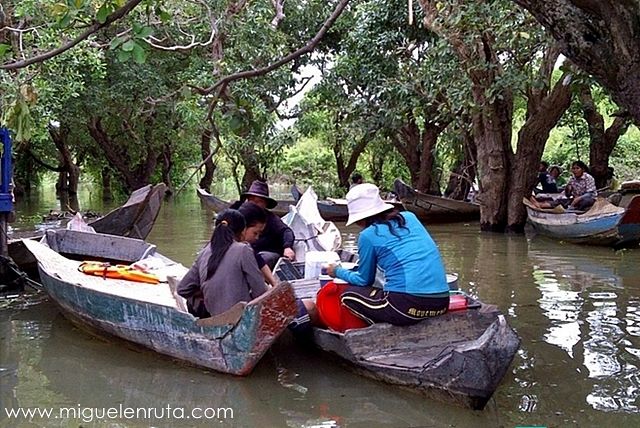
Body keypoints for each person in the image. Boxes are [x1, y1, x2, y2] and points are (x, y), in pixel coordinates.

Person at [326, 183, 449, 326]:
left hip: (406, 306)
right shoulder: (410, 217)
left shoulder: (367, 236)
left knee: (347, 296)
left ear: (359, 219)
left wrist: (336, 271)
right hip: (442, 303)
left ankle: (377, 330)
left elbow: (363, 280)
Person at [177, 209, 268, 318]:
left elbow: (182, 289)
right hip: (240, 317)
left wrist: (204, 293)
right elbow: (260, 291)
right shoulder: (243, 249)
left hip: (215, 317)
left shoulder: (204, 252)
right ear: (242, 231)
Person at [231, 180, 295, 269]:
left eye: (258, 201)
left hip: (266, 252)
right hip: (247, 250)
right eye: (251, 200)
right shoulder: (241, 215)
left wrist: (287, 247)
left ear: (265, 204)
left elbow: (286, 231)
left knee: (262, 259)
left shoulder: (271, 218)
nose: (254, 204)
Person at [237, 202, 278, 287]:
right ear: (243, 228)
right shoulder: (242, 249)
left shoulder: (246, 246)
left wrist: (275, 284)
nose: (257, 238)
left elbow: (260, 262)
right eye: (255, 233)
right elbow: (258, 287)